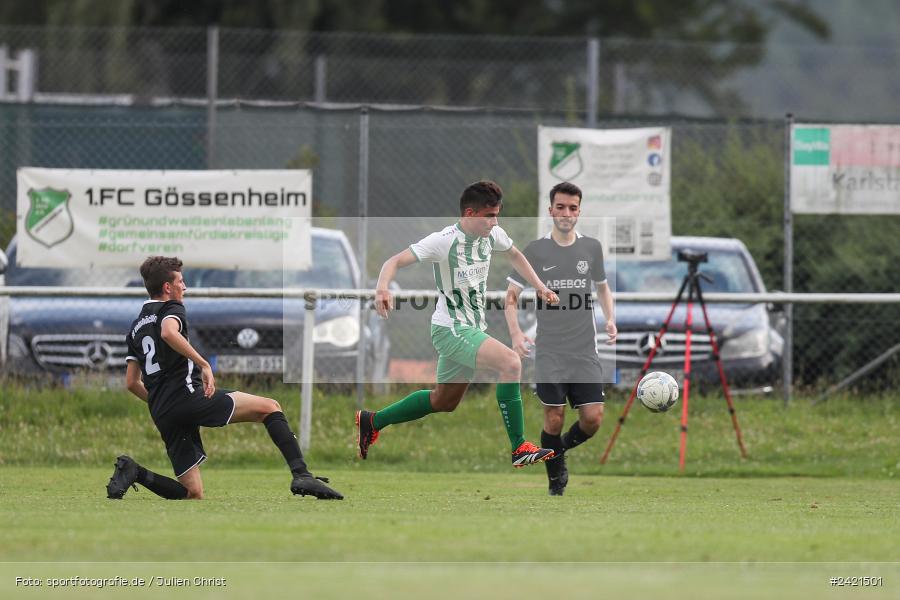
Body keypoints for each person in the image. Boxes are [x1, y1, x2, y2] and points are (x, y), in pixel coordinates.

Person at [356, 180, 560, 468]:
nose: (495, 221)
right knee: (511, 363)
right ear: (470, 213)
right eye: (489, 215)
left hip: (471, 330)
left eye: (497, 214)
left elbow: (514, 254)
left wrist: (539, 286)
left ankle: (373, 421)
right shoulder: (444, 240)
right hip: (450, 329)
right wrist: (382, 288)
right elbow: (393, 261)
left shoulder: (493, 235)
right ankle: (519, 447)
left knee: (444, 402)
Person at [106, 256, 343, 501]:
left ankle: (136, 472)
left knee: (192, 493)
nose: (184, 287)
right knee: (270, 408)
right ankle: (302, 474)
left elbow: (131, 383)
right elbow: (168, 331)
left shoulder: (136, 327)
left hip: (162, 412)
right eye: (181, 281)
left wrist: (160, 402)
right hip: (190, 398)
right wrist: (204, 364)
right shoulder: (171, 308)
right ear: (168, 287)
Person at [504, 181, 617, 495]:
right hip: (551, 350)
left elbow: (603, 287)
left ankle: (557, 452)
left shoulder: (591, 247)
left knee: (593, 419)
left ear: (579, 211)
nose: (566, 213)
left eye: (573, 208)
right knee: (553, 419)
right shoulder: (536, 251)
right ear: (550, 209)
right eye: (560, 207)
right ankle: (555, 479)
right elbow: (511, 296)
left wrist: (610, 318)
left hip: (584, 350)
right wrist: (515, 333)